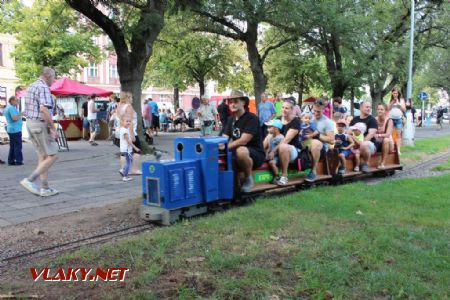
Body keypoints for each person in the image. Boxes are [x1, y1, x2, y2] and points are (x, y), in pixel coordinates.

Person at [20, 67, 59, 197]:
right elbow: (44, 109)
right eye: (53, 78)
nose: (54, 81)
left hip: (30, 124)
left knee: (42, 155)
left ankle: (45, 187)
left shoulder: (31, 86)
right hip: (40, 124)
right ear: (48, 76)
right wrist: (53, 128)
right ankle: (30, 180)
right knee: (53, 154)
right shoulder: (43, 88)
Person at [223, 96, 265, 193]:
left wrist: (225, 146)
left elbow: (243, 141)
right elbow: (224, 138)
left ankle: (248, 179)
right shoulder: (230, 119)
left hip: (255, 154)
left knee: (241, 150)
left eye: (236, 101)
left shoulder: (252, 118)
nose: (232, 104)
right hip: (236, 154)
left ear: (243, 103)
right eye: (230, 102)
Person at [273, 100, 301, 186]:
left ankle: (284, 176)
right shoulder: (277, 119)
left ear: (292, 110)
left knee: (283, 146)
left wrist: (273, 151)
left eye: (287, 108)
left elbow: (286, 140)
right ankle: (276, 176)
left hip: (292, 150)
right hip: (277, 149)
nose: (284, 110)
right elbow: (270, 135)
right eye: (283, 107)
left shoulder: (295, 121)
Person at [307, 102, 335, 181]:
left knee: (315, 143)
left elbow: (332, 141)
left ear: (323, 110)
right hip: (307, 144)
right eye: (314, 111)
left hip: (321, 149)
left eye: (318, 111)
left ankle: (313, 171)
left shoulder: (328, 122)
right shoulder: (309, 118)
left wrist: (318, 135)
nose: (315, 113)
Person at [116, 91, 142, 175]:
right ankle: (135, 170)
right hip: (130, 131)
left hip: (121, 131)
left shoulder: (119, 106)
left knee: (124, 151)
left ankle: (123, 169)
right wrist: (132, 135)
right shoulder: (129, 107)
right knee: (137, 150)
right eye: (131, 97)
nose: (132, 99)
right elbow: (129, 121)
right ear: (127, 98)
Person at [349, 101, 378, 173]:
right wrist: (353, 142)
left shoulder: (372, 120)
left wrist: (359, 143)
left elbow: (370, 135)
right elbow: (349, 132)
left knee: (364, 144)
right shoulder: (354, 120)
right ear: (361, 108)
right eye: (367, 107)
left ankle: (366, 164)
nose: (369, 109)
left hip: (369, 145)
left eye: (370, 107)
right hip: (355, 143)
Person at [262, 119, 284, 184]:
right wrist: (266, 153)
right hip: (270, 155)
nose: (267, 129)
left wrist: (273, 154)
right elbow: (269, 147)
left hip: (278, 157)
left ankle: (277, 176)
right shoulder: (270, 137)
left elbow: (280, 149)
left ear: (276, 129)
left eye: (269, 127)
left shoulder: (281, 138)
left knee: (272, 163)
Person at [4, 96, 24, 166]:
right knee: (17, 146)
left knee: (13, 145)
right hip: (15, 129)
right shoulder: (11, 108)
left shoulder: (7, 107)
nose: (17, 102)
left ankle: (11, 160)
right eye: (16, 101)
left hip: (11, 129)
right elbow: (14, 118)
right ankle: (19, 161)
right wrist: (21, 114)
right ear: (12, 100)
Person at [119, 117, 140, 182]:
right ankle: (125, 176)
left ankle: (123, 170)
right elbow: (128, 141)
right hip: (127, 149)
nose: (128, 122)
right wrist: (135, 147)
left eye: (129, 121)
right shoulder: (124, 130)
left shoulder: (125, 129)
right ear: (122, 122)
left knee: (130, 160)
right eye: (126, 121)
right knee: (129, 162)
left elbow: (131, 139)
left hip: (125, 149)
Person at [375, 103, 394, 169]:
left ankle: (383, 163)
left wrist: (378, 135)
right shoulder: (374, 120)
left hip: (388, 144)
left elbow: (388, 134)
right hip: (377, 143)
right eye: (378, 109)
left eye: (381, 109)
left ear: (385, 111)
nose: (379, 111)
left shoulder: (389, 120)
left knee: (386, 139)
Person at [387, 88, 406, 154]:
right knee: (390, 135)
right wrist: (392, 102)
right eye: (394, 93)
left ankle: (398, 150)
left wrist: (398, 104)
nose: (395, 94)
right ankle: (391, 148)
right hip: (391, 119)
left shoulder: (401, 100)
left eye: (396, 93)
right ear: (392, 93)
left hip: (399, 119)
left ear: (398, 94)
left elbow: (404, 110)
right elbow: (387, 109)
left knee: (398, 135)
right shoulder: (390, 100)